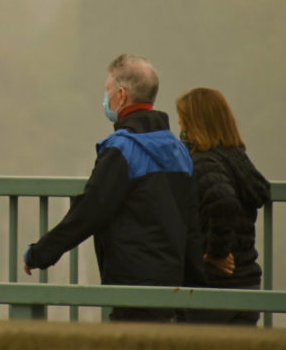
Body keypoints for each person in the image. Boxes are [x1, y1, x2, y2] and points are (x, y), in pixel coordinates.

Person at [22, 54, 204, 322]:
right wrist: (197, 286)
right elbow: (192, 224)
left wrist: (40, 253)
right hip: (173, 283)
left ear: (121, 95)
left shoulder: (122, 149)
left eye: (107, 91)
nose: (105, 99)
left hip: (131, 283)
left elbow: (89, 212)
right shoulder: (179, 150)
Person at [174, 87, 271, 326]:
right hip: (246, 281)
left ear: (195, 123)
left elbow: (224, 202)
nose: (179, 125)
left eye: (183, 120)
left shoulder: (204, 161)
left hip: (215, 285)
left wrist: (216, 253)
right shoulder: (238, 159)